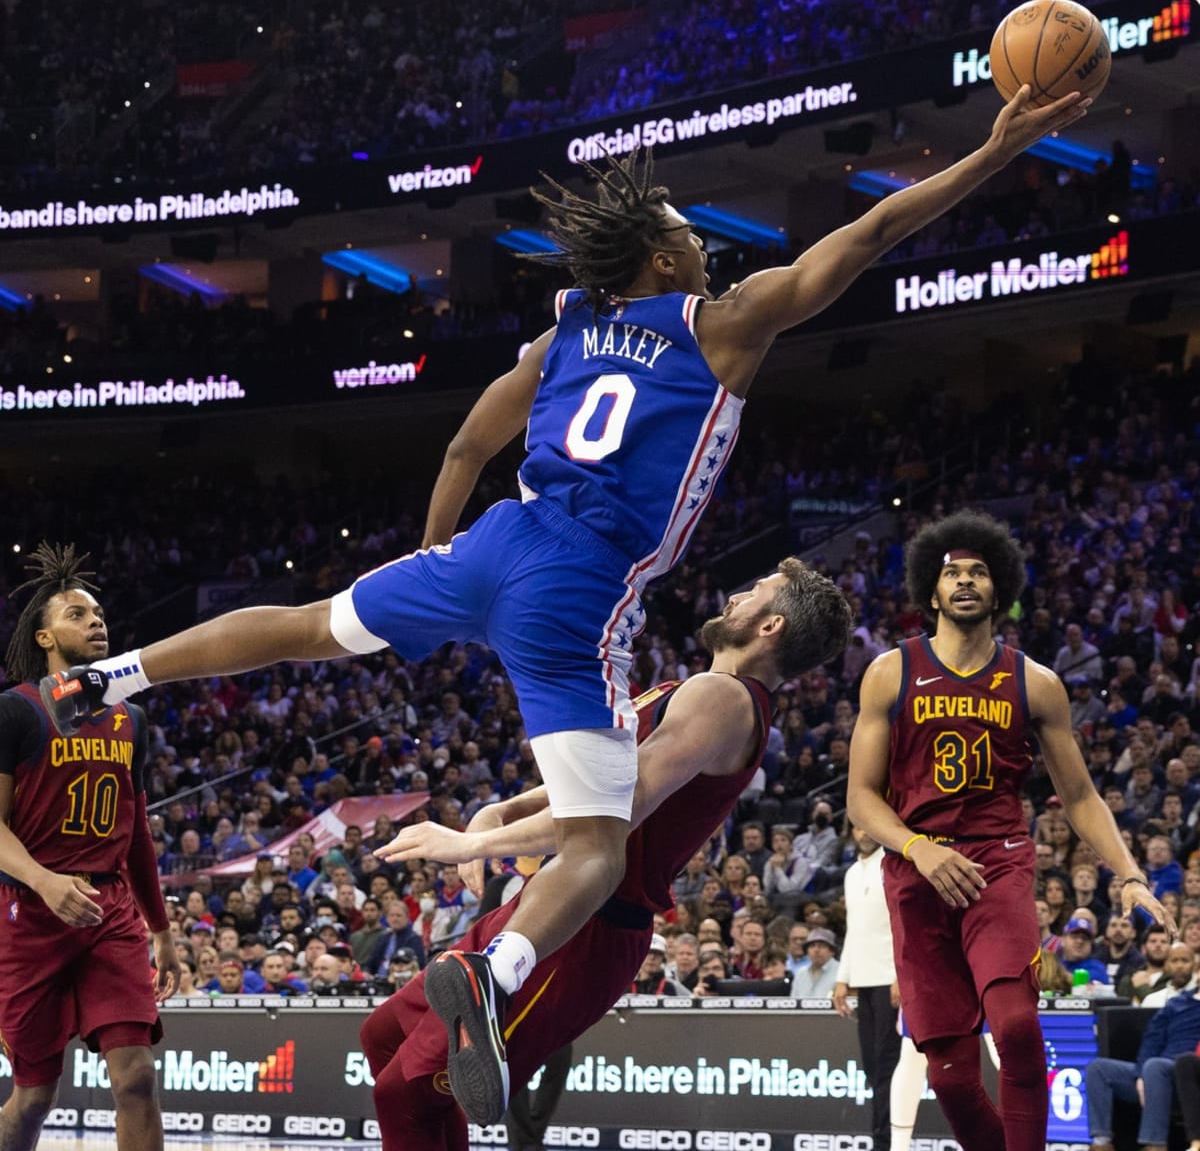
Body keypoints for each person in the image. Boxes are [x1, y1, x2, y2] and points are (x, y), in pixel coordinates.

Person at [40, 85, 1089, 1122]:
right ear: (669, 262)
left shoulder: (569, 329)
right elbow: (867, 235)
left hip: (493, 538)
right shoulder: (721, 323)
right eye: (690, 234)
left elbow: (465, 445)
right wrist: (995, 148)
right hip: (580, 582)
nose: (704, 245)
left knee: (313, 626)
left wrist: (434, 565)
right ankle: (494, 976)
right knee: (592, 846)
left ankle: (114, 672)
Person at [354, 559, 851, 1149]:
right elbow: (594, 779)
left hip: (588, 927)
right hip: (552, 906)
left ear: (770, 626)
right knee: (383, 1040)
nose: (736, 592)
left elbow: (616, 807)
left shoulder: (723, 698)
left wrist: (475, 842)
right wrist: (501, 811)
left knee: (408, 1093)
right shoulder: (688, 692)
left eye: (755, 591)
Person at [847, 512, 1172, 1151]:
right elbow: (861, 798)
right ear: (930, 591)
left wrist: (1129, 875)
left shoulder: (1036, 682)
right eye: (952, 573)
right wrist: (918, 847)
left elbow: (1078, 796)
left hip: (998, 862)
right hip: (918, 872)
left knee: (1019, 1027)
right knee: (950, 1078)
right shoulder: (891, 671)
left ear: (1001, 590)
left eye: (979, 572)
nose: (965, 581)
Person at [0, 544, 179, 1151]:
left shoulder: (132, 720)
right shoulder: (15, 711)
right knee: (32, 1101)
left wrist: (162, 929)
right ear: (46, 636)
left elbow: (138, 833)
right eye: (77, 614)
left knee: (136, 1079)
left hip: (110, 912)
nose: (95, 621)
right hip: (30, 911)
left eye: (98, 613)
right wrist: (46, 880)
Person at [833, 825, 902, 1151]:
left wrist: (902, 975)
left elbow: (903, 925)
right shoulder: (850, 874)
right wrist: (841, 978)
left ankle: (885, 1142)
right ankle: (882, 1137)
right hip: (862, 979)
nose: (864, 832)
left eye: (868, 825)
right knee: (872, 1066)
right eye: (857, 826)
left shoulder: (893, 866)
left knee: (888, 1065)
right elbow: (853, 930)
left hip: (890, 980)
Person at [1085, 982, 1200, 1151]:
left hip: (1187, 1074)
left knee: (1156, 1066)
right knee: (1099, 1068)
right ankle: (1102, 1142)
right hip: (1154, 1071)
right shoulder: (1176, 1003)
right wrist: (1140, 1074)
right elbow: (1151, 1040)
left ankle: (1155, 1144)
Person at [789, 927, 840, 999]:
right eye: (812, 946)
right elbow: (793, 1002)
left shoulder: (841, 972)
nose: (816, 950)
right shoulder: (801, 973)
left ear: (832, 951)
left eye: (822, 946)